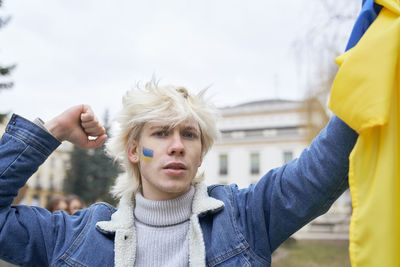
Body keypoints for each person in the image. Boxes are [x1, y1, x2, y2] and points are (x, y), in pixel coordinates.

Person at [0, 82, 358, 266]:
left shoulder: (245, 218)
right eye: (160, 133)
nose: (177, 146)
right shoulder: (74, 237)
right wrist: (52, 131)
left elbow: (324, 167)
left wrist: (366, 81)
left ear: (200, 154)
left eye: (189, 135)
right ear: (134, 151)